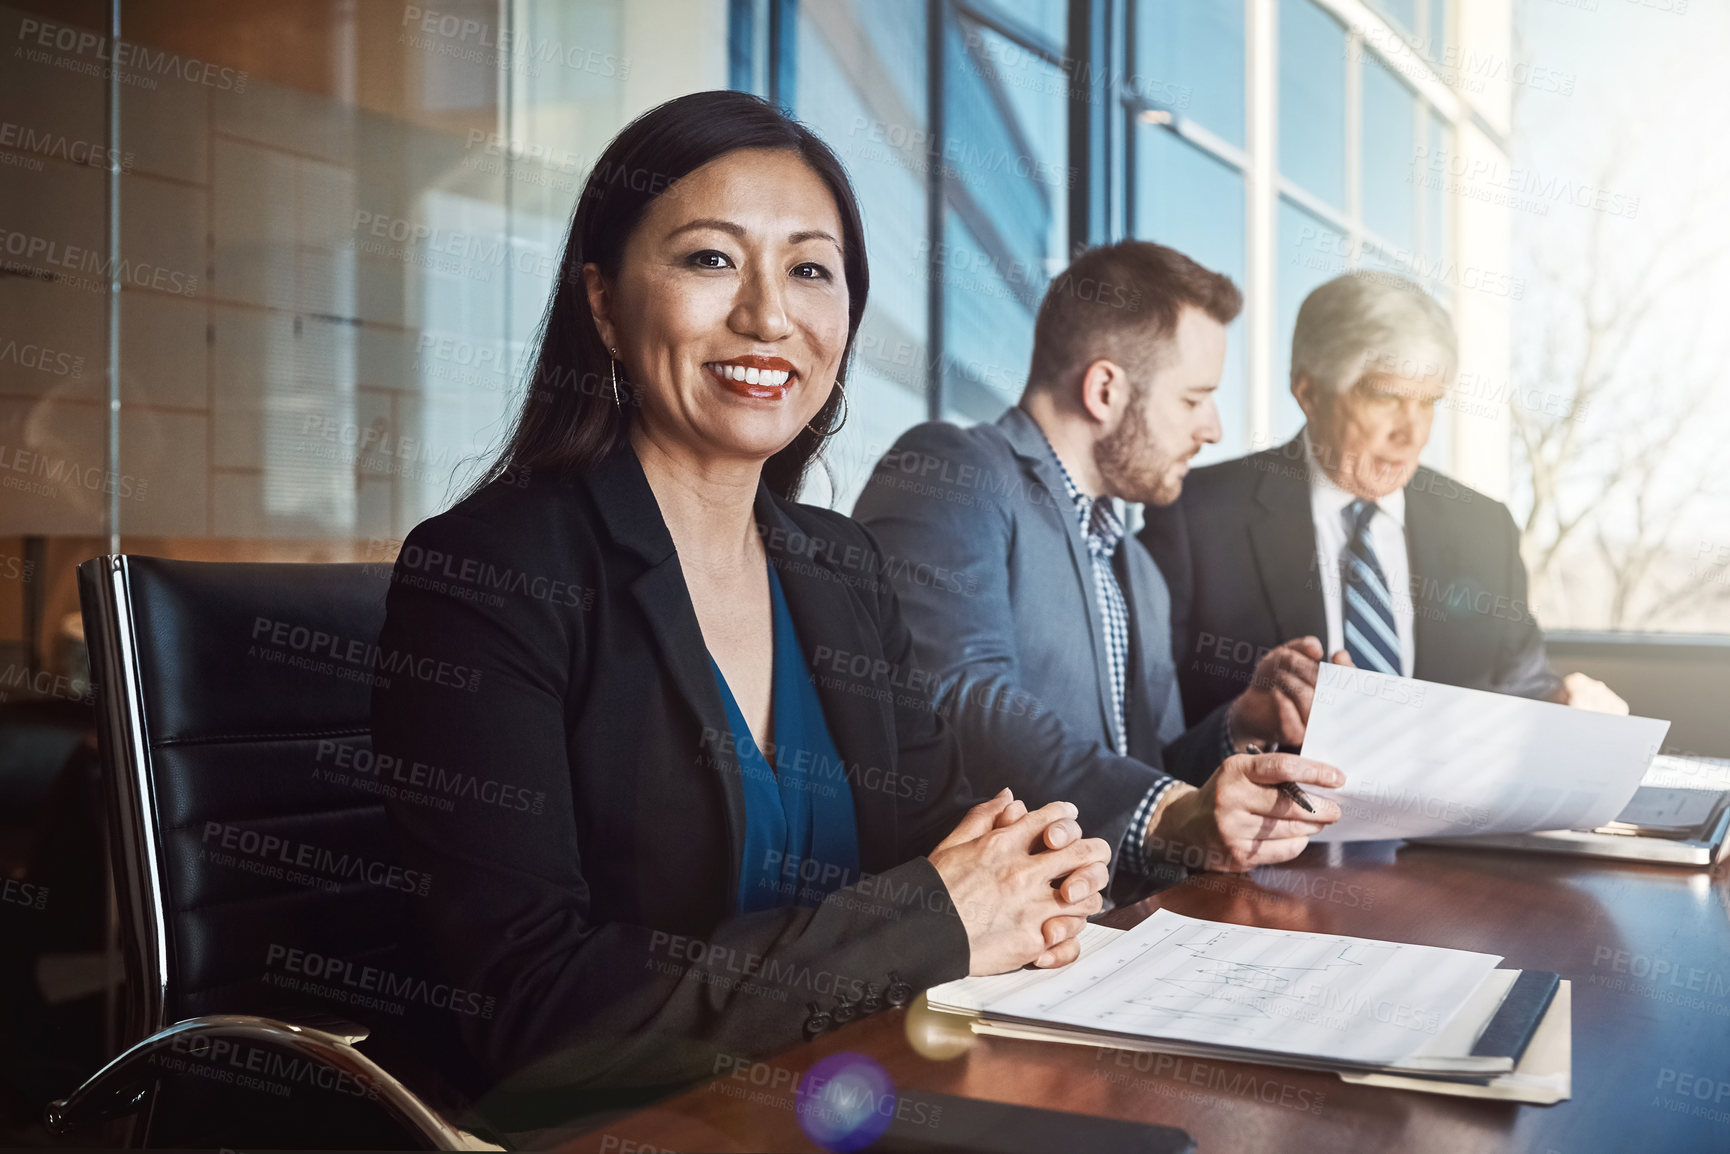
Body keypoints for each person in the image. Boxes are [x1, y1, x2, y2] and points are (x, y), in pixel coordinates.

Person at [369, 91, 1201, 1129]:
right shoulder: (489, 572)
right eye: (709, 259)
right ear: (601, 304)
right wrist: (930, 920)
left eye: (810, 268)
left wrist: (1037, 879)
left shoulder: (837, 565)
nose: (768, 315)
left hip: (845, 1097)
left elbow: (939, 836)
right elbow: (536, 1010)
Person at [852, 240, 1346, 874]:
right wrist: (1168, 813)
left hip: (1116, 930)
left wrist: (1245, 721)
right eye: (1193, 399)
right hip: (975, 943)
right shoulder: (954, 469)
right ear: (1105, 389)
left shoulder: (1138, 569)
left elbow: (1150, 768)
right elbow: (956, 697)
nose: (1214, 429)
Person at [1139, 271, 1627, 729]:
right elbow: (1153, 733)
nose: (1411, 432)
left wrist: (1562, 705)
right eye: (1386, 397)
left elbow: (1519, 682)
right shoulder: (1196, 515)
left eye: (1429, 402)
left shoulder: (1484, 527)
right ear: (1308, 392)